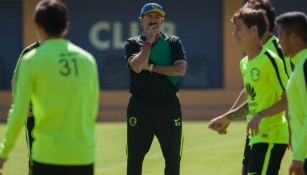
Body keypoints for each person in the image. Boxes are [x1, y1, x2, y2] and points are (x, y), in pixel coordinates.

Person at [0, 1, 99, 175]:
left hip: (47, 155)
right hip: (83, 155)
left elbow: (18, 111)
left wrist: (4, 151)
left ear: (38, 26)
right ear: (66, 27)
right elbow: (92, 108)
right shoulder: (88, 60)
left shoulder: (31, 60)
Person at [209, 7, 289, 175]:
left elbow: (287, 99)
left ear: (254, 30)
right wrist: (227, 118)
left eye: (238, 28)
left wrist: (261, 116)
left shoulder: (270, 60)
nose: (234, 34)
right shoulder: (244, 63)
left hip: (271, 135)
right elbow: (253, 100)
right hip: (255, 135)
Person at [124, 2, 187, 175]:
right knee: (134, 161)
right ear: (141, 21)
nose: (154, 20)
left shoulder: (173, 42)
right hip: (140, 107)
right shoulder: (132, 43)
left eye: (157, 16)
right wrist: (149, 42)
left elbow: (180, 69)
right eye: (149, 16)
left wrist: (151, 67)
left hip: (168, 106)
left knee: (173, 160)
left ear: (163, 20)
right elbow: (137, 66)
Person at [276, 11, 307, 175]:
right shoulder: (299, 65)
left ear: (294, 37)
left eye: (281, 35)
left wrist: (298, 158)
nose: (279, 41)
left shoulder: (305, 66)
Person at [12, 41, 40, 175]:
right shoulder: (29, 52)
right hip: (35, 115)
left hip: (56, 116)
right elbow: (16, 80)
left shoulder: (66, 52)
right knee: (36, 158)